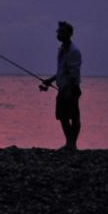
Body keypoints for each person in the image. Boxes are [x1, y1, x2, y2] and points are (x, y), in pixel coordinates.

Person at [38, 20, 82, 150]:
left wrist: (69, 89)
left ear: (69, 34)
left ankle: (71, 144)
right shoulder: (61, 49)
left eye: (61, 32)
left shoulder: (74, 51)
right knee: (62, 116)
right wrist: (50, 80)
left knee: (73, 116)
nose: (58, 33)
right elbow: (61, 71)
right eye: (58, 31)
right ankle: (70, 144)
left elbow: (73, 73)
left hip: (71, 88)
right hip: (63, 88)